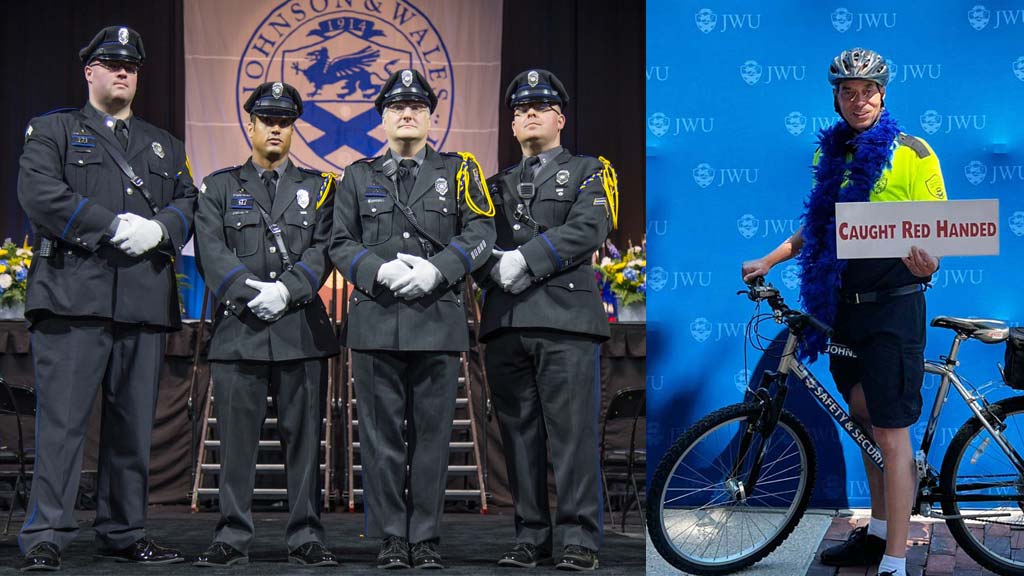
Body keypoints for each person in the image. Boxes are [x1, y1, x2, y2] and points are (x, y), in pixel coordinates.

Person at [741, 48, 946, 576]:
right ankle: (877, 534)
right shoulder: (829, 155)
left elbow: (939, 231)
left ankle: (897, 562)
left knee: (891, 433)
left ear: (884, 93)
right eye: (847, 92)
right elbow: (822, 225)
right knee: (862, 418)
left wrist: (929, 262)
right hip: (844, 311)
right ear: (835, 98)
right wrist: (770, 256)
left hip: (894, 312)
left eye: (868, 91)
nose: (859, 101)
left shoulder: (915, 152)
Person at [15, 25, 196, 571]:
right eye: (112, 63)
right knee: (63, 424)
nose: (123, 72)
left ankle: (123, 531)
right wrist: (112, 225)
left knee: (132, 428)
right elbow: (40, 194)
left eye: (132, 67)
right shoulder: (54, 130)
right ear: (88, 71)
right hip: (74, 298)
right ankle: (46, 532)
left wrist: (162, 230)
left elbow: (189, 201)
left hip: (140, 301)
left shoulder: (165, 145)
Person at [329, 69, 496, 570]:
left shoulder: (458, 171)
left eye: (418, 107)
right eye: (398, 107)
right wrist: (378, 272)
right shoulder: (357, 176)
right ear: (381, 118)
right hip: (377, 318)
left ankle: (423, 536)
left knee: (431, 439)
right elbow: (339, 242)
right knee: (380, 440)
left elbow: (481, 229)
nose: (407, 113)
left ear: (430, 117)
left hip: (436, 319)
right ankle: (390, 537)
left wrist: (436, 270)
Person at [191, 81, 339, 568]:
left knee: (304, 446)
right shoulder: (218, 187)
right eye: (267, 120)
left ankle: (306, 536)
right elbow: (211, 252)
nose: (275, 127)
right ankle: (232, 536)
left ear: (292, 129)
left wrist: (289, 290)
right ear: (250, 125)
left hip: (299, 331)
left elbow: (323, 249)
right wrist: (253, 293)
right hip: (240, 331)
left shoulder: (319, 188)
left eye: (284, 121)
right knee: (236, 445)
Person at [476, 69, 618, 572]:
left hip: (565, 321)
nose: (527, 114)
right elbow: (472, 241)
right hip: (506, 321)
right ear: (512, 127)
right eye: (519, 110)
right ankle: (530, 535)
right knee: (517, 438)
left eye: (538, 107)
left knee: (572, 436)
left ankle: (580, 538)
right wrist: (490, 264)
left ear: (560, 118)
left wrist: (526, 258)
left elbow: (590, 227)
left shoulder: (588, 171)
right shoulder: (490, 186)